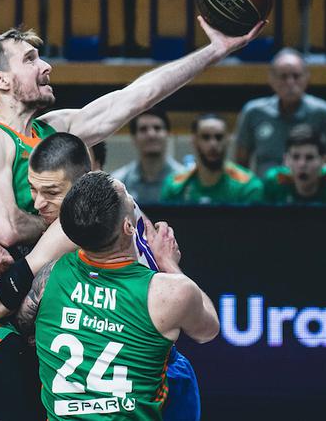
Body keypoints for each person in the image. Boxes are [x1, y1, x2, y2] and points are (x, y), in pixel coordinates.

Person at [0, 19, 260, 420]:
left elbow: (136, 97)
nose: (46, 66)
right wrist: (88, 224)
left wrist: (215, 51)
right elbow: (6, 227)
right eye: (31, 58)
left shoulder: (51, 133)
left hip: (27, 288)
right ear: (0, 80)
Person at [0, 131, 203, 421]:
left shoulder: (71, 229)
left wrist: (12, 277)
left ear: (83, 183)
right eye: (33, 189)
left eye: (52, 192)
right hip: (160, 366)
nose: (38, 203)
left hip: (138, 383)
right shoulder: (120, 203)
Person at [33, 171, 219, 419]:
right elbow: (208, 330)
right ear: (129, 226)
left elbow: (23, 319)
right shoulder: (171, 292)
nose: (133, 201)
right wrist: (168, 263)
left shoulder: (51, 274)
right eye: (129, 199)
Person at [233, 47, 326, 177]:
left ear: (306, 77)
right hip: (266, 193)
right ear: (271, 79)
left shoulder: (323, 112)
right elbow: (241, 164)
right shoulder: (253, 112)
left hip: (309, 192)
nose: (290, 82)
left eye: (296, 76)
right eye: (283, 76)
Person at [161, 113, 263, 205]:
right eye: (206, 137)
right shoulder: (175, 185)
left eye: (219, 137)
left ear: (227, 140)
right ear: (194, 141)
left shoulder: (248, 185)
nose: (213, 144)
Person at [261, 125, 326, 205]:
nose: (302, 164)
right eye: (295, 157)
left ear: (323, 161)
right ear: (286, 160)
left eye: (309, 157)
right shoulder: (274, 181)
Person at [110, 108, 183, 205]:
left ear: (168, 134)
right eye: (143, 129)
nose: (151, 134)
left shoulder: (185, 180)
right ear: (133, 138)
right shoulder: (118, 182)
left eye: (157, 128)